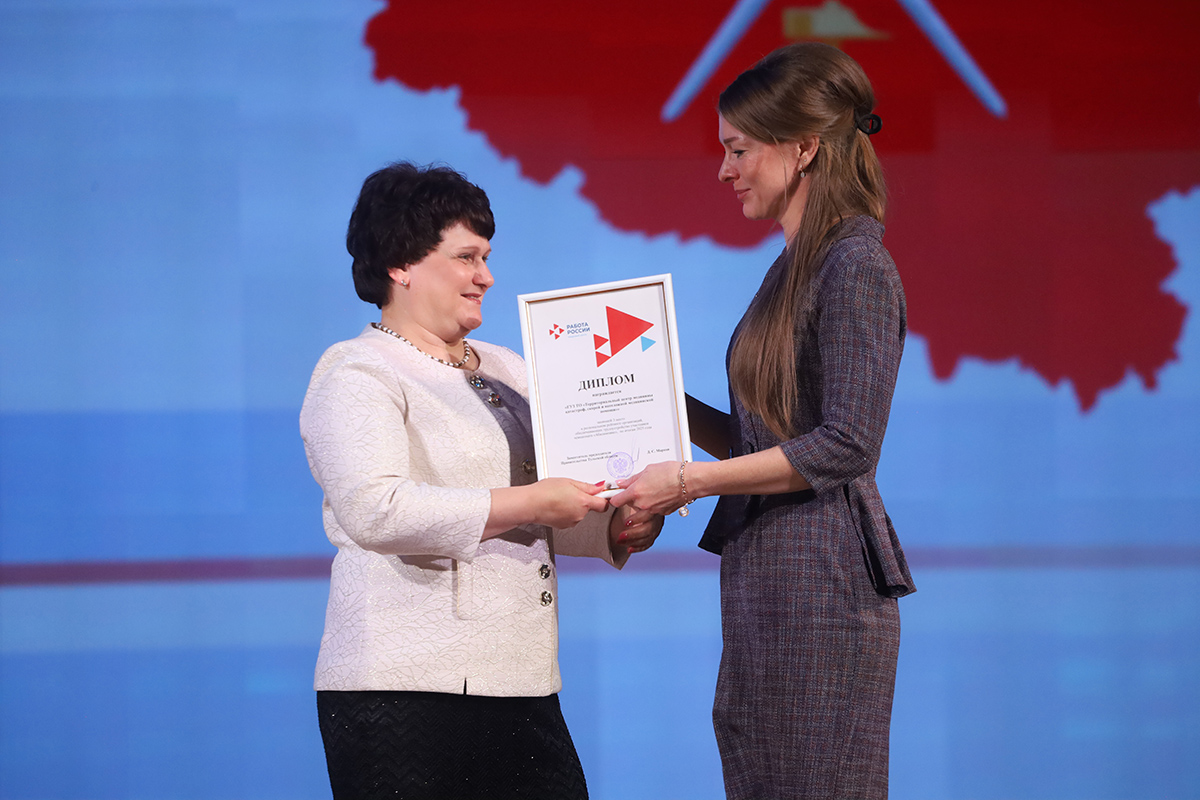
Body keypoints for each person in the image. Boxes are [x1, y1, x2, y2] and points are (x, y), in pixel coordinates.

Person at [300, 161, 662, 799]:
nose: (486, 276)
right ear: (401, 264)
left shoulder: (509, 368)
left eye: (487, 257)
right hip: (404, 687)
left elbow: (536, 507)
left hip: (521, 679)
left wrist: (616, 524)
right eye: (467, 257)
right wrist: (532, 501)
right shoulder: (357, 371)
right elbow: (375, 510)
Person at [610, 43, 915, 799]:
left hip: (822, 582)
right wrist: (646, 399)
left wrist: (688, 481)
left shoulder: (856, 266)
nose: (724, 170)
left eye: (738, 148)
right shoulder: (794, 267)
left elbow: (845, 443)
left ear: (804, 147)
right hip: (772, 578)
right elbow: (767, 436)